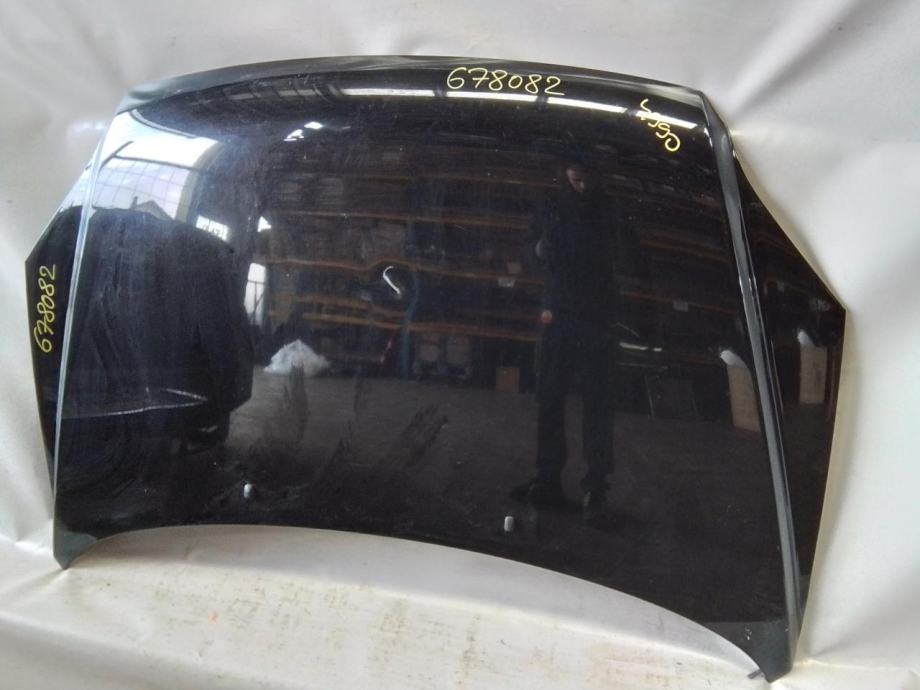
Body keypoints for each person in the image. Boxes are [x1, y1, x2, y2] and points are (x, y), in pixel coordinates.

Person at [514, 161, 621, 525]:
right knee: (549, 397)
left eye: (588, 179)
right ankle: (547, 478)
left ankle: (596, 488)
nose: (582, 186)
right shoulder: (550, 206)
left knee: (597, 403)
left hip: (596, 315)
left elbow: (625, 256)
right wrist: (538, 251)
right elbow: (529, 248)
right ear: (566, 174)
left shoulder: (609, 209)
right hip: (557, 313)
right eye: (576, 179)